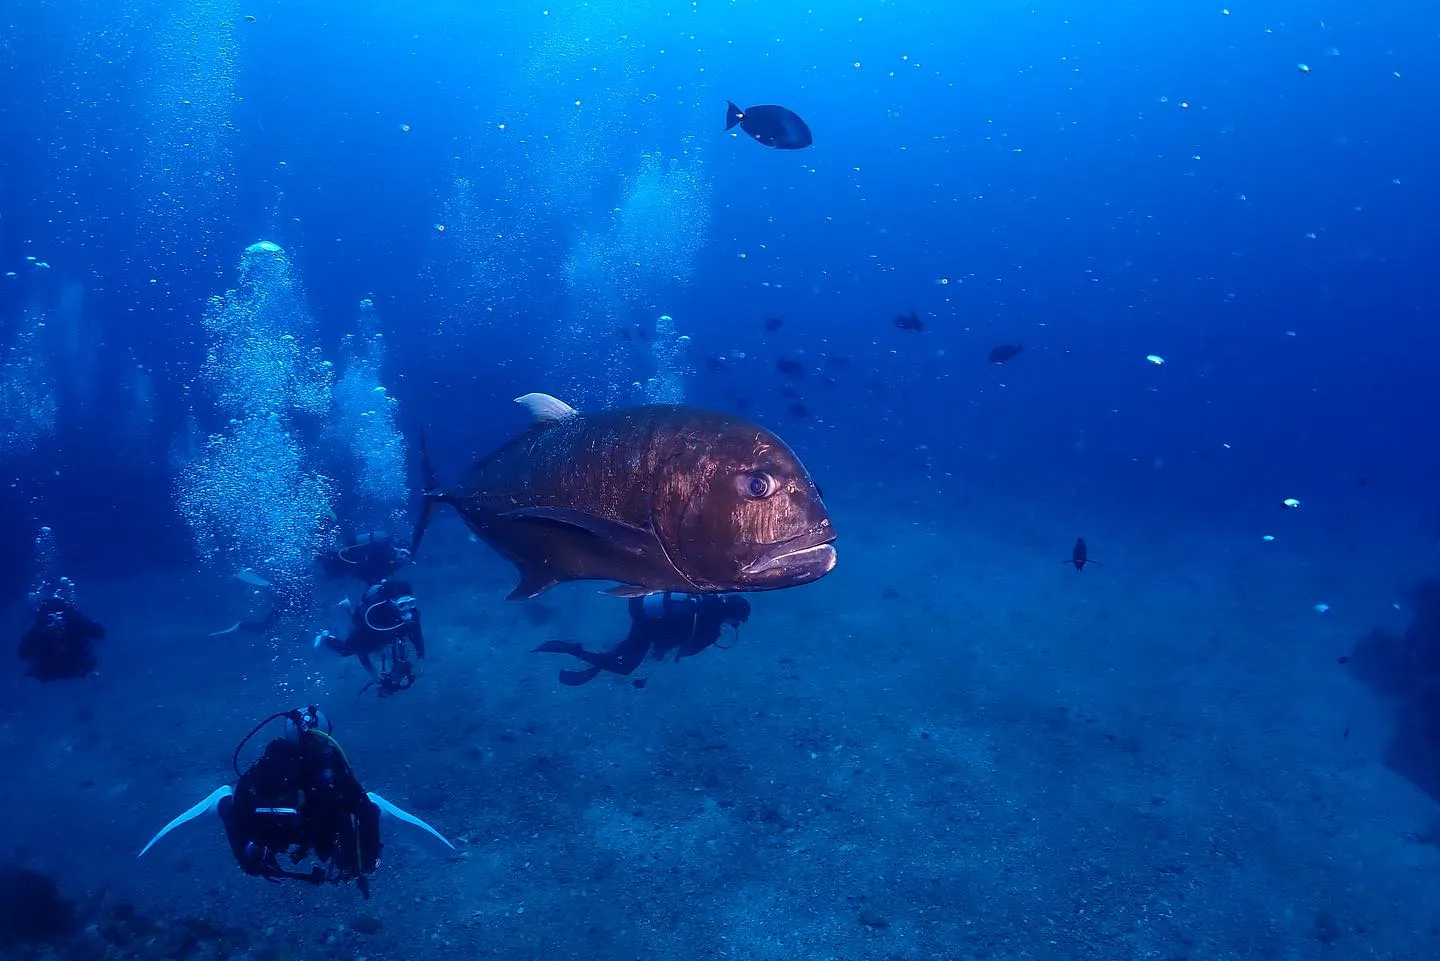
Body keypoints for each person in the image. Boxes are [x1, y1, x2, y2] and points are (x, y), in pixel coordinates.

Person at [137, 705, 453, 898]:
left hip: (299, 829)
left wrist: (363, 858)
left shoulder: (318, 766)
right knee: (365, 816)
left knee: (357, 833)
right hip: (291, 829)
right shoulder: (304, 764)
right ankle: (220, 802)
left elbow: (358, 807)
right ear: (328, 734)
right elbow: (362, 809)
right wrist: (367, 858)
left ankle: (223, 804)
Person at [533, 592, 751, 686]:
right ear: (734, 616)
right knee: (626, 666)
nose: (736, 626)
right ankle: (576, 651)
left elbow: (678, 632)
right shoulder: (712, 629)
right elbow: (684, 649)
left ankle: (605, 658)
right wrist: (661, 653)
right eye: (738, 622)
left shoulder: (709, 596)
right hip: (648, 622)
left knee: (631, 646)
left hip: (642, 605)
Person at [315, 579, 425, 696]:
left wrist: (420, 659)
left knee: (392, 641)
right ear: (390, 602)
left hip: (386, 628)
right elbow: (360, 650)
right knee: (346, 650)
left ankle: (347, 606)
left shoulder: (411, 611)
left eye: (411, 603)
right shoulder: (372, 615)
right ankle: (325, 636)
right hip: (367, 628)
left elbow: (417, 636)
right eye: (402, 604)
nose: (408, 609)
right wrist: (372, 671)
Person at [18, 595, 106, 681]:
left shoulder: (38, 628)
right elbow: (100, 634)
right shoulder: (77, 621)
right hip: (80, 667)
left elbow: (23, 654)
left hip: (48, 672)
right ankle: (90, 672)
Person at [316, 531, 412, 585]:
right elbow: (371, 566)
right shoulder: (385, 552)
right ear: (398, 549)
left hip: (355, 567)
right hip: (355, 560)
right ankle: (315, 550)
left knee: (334, 570)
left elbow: (372, 574)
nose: (403, 557)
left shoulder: (392, 566)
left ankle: (316, 551)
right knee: (332, 562)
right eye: (403, 553)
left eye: (407, 557)